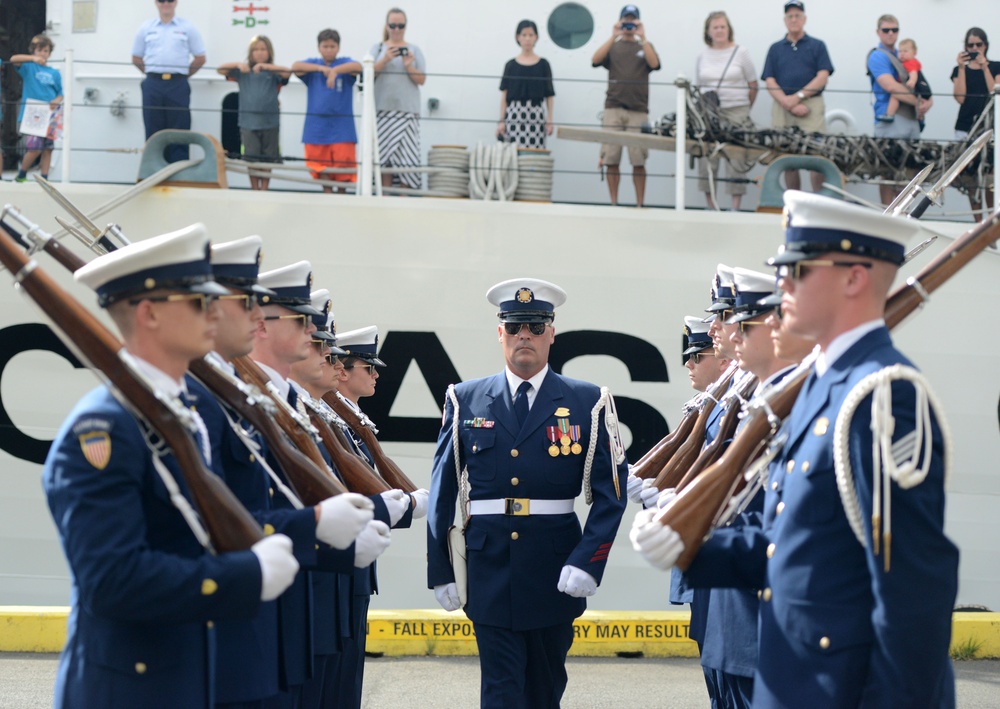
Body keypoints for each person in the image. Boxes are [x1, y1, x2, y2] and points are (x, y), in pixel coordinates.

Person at [633, 191, 959, 708]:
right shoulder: (818, 390)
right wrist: (692, 549)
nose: (782, 284)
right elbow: (791, 547)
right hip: (793, 684)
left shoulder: (882, 395)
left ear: (854, 279)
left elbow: (912, 590)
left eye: (800, 270)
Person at [45, 224, 299, 707]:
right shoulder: (103, 428)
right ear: (149, 313)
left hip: (181, 677)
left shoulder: (178, 413)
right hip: (128, 689)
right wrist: (244, 575)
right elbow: (111, 581)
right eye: (197, 301)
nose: (212, 312)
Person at [427, 278, 628, 707]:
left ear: (552, 333)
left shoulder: (587, 401)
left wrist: (589, 562)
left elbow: (611, 493)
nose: (525, 335)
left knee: (544, 690)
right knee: (500, 692)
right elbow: (443, 489)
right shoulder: (465, 399)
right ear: (500, 332)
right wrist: (440, 567)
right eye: (515, 325)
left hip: (555, 570)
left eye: (536, 326)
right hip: (489, 569)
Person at [198, 237, 374, 708]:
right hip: (253, 610)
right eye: (302, 323)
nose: (256, 317)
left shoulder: (257, 400)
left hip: (294, 606)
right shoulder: (216, 401)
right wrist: (317, 529)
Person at [333, 325, 429, 708]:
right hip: (337, 561)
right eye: (368, 367)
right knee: (334, 677)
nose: (375, 375)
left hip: (354, 565)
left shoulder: (352, 424)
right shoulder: (337, 424)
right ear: (343, 370)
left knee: (345, 676)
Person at [761, 0, 834, 193]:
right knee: (786, 156)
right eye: (790, 16)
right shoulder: (775, 48)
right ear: (785, 20)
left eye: (797, 16)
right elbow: (769, 80)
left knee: (816, 155)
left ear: (804, 19)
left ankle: (818, 201)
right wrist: (788, 103)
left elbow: (823, 76)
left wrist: (798, 97)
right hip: (782, 106)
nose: (794, 20)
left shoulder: (817, 46)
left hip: (811, 106)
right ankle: (794, 200)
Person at [591, 4, 660, 207]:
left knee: (638, 160)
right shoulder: (613, 45)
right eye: (626, 20)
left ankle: (640, 204)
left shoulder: (645, 46)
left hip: (638, 110)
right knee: (611, 158)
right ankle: (614, 203)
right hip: (613, 108)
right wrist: (613, 35)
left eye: (632, 20)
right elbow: (595, 60)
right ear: (620, 21)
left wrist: (643, 36)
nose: (629, 24)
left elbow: (655, 64)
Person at [867, 13, 933, 205]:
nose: (890, 33)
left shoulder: (903, 55)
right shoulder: (878, 56)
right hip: (890, 119)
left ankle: (903, 213)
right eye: (886, 30)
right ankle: (888, 215)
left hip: (911, 120)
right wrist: (917, 102)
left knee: (909, 171)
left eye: (894, 30)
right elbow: (890, 86)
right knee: (888, 170)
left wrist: (928, 101)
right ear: (878, 32)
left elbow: (920, 81)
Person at [695, 11, 758, 211]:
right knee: (707, 157)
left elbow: (753, 84)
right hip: (709, 112)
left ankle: (735, 207)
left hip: (736, 111)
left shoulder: (741, 53)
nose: (720, 31)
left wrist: (744, 108)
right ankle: (711, 205)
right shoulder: (702, 55)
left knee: (736, 158)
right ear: (708, 31)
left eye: (723, 26)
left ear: (729, 29)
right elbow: (699, 85)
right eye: (715, 27)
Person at [131, 0, 206, 164]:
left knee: (180, 129)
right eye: (161, 0)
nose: (166, 3)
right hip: (153, 83)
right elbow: (136, 57)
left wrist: (183, 76)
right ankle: (154, 171)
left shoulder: (187, 28)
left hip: (177, 84)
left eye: (169, 0)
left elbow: (200, 58)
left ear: (175, 3)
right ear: (156, 3)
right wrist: (153, 74)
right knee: (153, 128)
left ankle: (178, 173)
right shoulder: (146, 28)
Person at [217, 36, 291, 191]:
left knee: (268, 158)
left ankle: (264, 188)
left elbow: (287, 73)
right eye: (256, 50)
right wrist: (238, 64)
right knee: (251, 159)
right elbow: (221, 69)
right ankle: (254, 188)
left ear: (269, 52)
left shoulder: (274, 73)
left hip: (270, 123)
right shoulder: (243, 72)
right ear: (250, 53)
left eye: (263, 49)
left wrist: (267, 67)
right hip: (248, 122)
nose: (259, 53)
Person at [292, 29, 361, 194]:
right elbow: (295, 66)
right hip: (317, 128)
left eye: (332, 46)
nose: (329, 50)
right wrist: (321, 69)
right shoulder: (313, 66)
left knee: (343, 166)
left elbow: (358, 66)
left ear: (338, 47)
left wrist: (335, 71)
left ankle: (341, 197)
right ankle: (327, 194)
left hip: (342, 128)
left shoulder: (344, 64)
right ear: (318, 47)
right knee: (320, 166)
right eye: (325, 46)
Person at [372, 8, 427, 190]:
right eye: (393, 25)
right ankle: (385, 194)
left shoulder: (415, 50)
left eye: (400, 26)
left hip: (408, 111)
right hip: (382, 110)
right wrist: (385, 59)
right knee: (384, 157)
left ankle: (404, 196)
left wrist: (408, 65)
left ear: (406, 27)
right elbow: (367, 75)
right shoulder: (377, 49)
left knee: (407, 157)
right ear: (387, 26)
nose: (396, 29)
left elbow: (421, 80)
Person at [951, 27, 1000, 219]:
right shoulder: (958, 69)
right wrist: (962, 68)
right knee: (971, 177)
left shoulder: (995, 67)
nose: (974, 48)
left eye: (978, 45)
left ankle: (991, 221)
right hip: (966, 127)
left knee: (990, 176)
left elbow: (994, 92)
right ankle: (978, 222)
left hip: (990, 128)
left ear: (985, 45)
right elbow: (960, 97)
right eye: (970, 45)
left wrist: (984, 66)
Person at [11, 34, 63, 183]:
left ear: (50, 53)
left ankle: (45, 178)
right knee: (34, 148)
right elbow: (14, 59)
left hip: (52, 113)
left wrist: (57, 100)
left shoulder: (55, 73)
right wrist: (32, 59)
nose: (42, 54)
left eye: (46, 51)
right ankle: (21, 174)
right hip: (34, 112)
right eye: (39, 50)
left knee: (48, 148)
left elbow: (61, 93)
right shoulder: (28, 67)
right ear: (33, 51)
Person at [497, 20, 555, 149]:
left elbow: (549, 95)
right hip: (514, 114)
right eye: (524, 35)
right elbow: (504, 95)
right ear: (518, 37)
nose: (527, 39)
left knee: (534, 153)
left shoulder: (543, 64)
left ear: (536, 37)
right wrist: (501, 120)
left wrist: (549, 120)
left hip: (536, 114)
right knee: (512, 153)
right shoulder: (510, 65)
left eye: (531, 35)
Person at [882, 38, 931, 128]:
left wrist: (912, 81)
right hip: (916, 89)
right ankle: (920, 119)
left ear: (914, 53)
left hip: (910, 86)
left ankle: (889, 114)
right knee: (917, 106)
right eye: (900, 51)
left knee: (895, 95)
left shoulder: (910, 63)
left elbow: (913, 73)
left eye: (905, 51)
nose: (902, 54)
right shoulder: (911, 62)